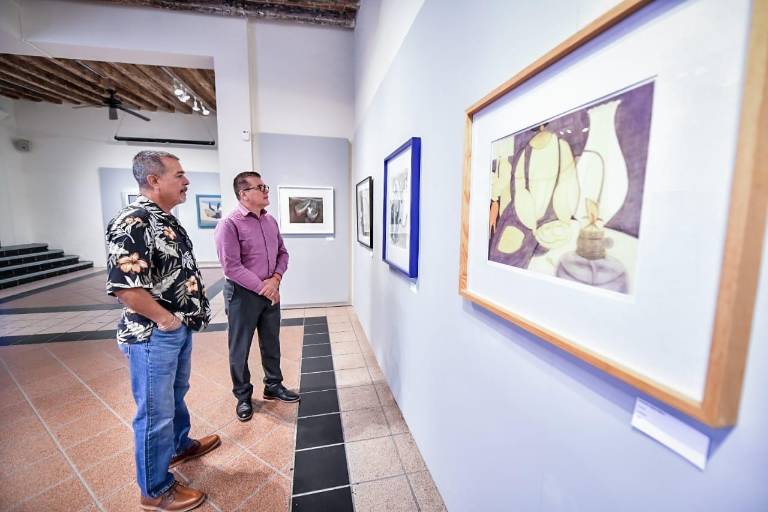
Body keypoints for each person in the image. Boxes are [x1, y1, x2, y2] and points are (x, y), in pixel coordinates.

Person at [106, 151, 220, 512]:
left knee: (174, 395)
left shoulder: (163, 218)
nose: (186, 181)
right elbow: (125, 287)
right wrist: (166, 321)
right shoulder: (133, 221)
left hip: (175, 328)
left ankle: (177, 447)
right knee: (154, 412)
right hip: (154, 334)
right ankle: (154, 489)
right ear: (154, 180)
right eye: (179, 174)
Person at [214, 171, 300, 422]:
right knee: (240, 347)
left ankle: (273, 385)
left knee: (271, 341)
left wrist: (275, 279)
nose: (266, 190)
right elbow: (231, 266)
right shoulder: (229, 224)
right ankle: (243, 395)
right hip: (242, 294)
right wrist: (265, 287)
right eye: (260, 187)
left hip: (270, 291)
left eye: (265, 186)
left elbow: (283, 253)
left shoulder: (270, 221)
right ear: (244, 194)